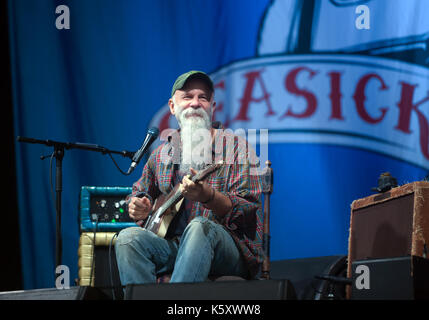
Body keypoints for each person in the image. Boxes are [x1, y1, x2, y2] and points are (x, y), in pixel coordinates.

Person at [115, 70, 264, 285]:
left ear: (212, 107)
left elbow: (248, 211)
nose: (195, 103)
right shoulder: (160, 155)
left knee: (198, 227)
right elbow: (139, 192)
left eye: (203, 97)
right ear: (173, 106)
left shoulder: (236, 148)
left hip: (230, 249)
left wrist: (209, 196)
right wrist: (138, 205)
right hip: (175, 247)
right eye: (187, 97)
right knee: (128, 239)